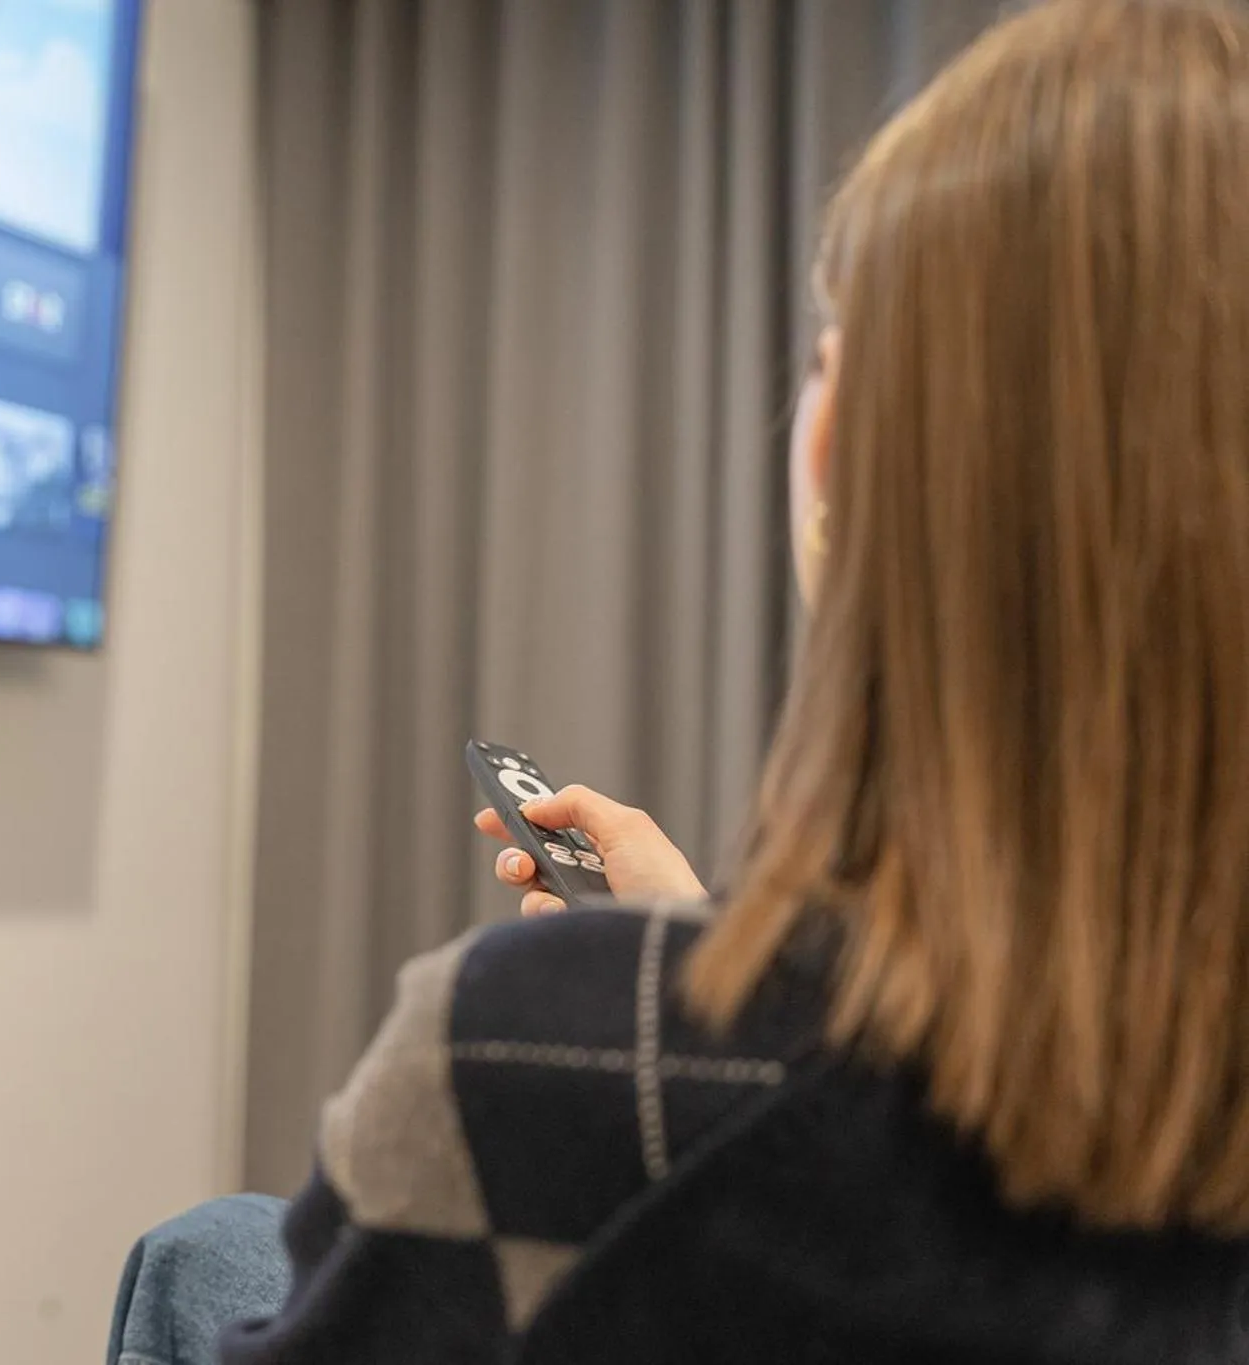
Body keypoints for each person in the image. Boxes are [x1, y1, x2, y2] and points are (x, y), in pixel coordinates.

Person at [109, 2, 1249, 1362]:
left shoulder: (532, 1054)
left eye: (833, 358)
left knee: (200, 1260)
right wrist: (711, 943)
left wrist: (668, 1004)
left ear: (841, 460)